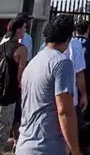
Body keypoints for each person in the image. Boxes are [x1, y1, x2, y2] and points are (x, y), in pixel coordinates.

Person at [17, 14, 81, 155]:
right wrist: (76, 151)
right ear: (68, 39)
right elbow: (64, 111)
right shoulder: (62, 63)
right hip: (47, 146)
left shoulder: (33, 62)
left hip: (24, 143)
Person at [0, 16, 28, 155]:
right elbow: (20, 77)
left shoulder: (0, 48)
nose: (26, 30)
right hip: (8, 98)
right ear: (19, 30)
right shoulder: (21, 49)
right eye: (24, 27)